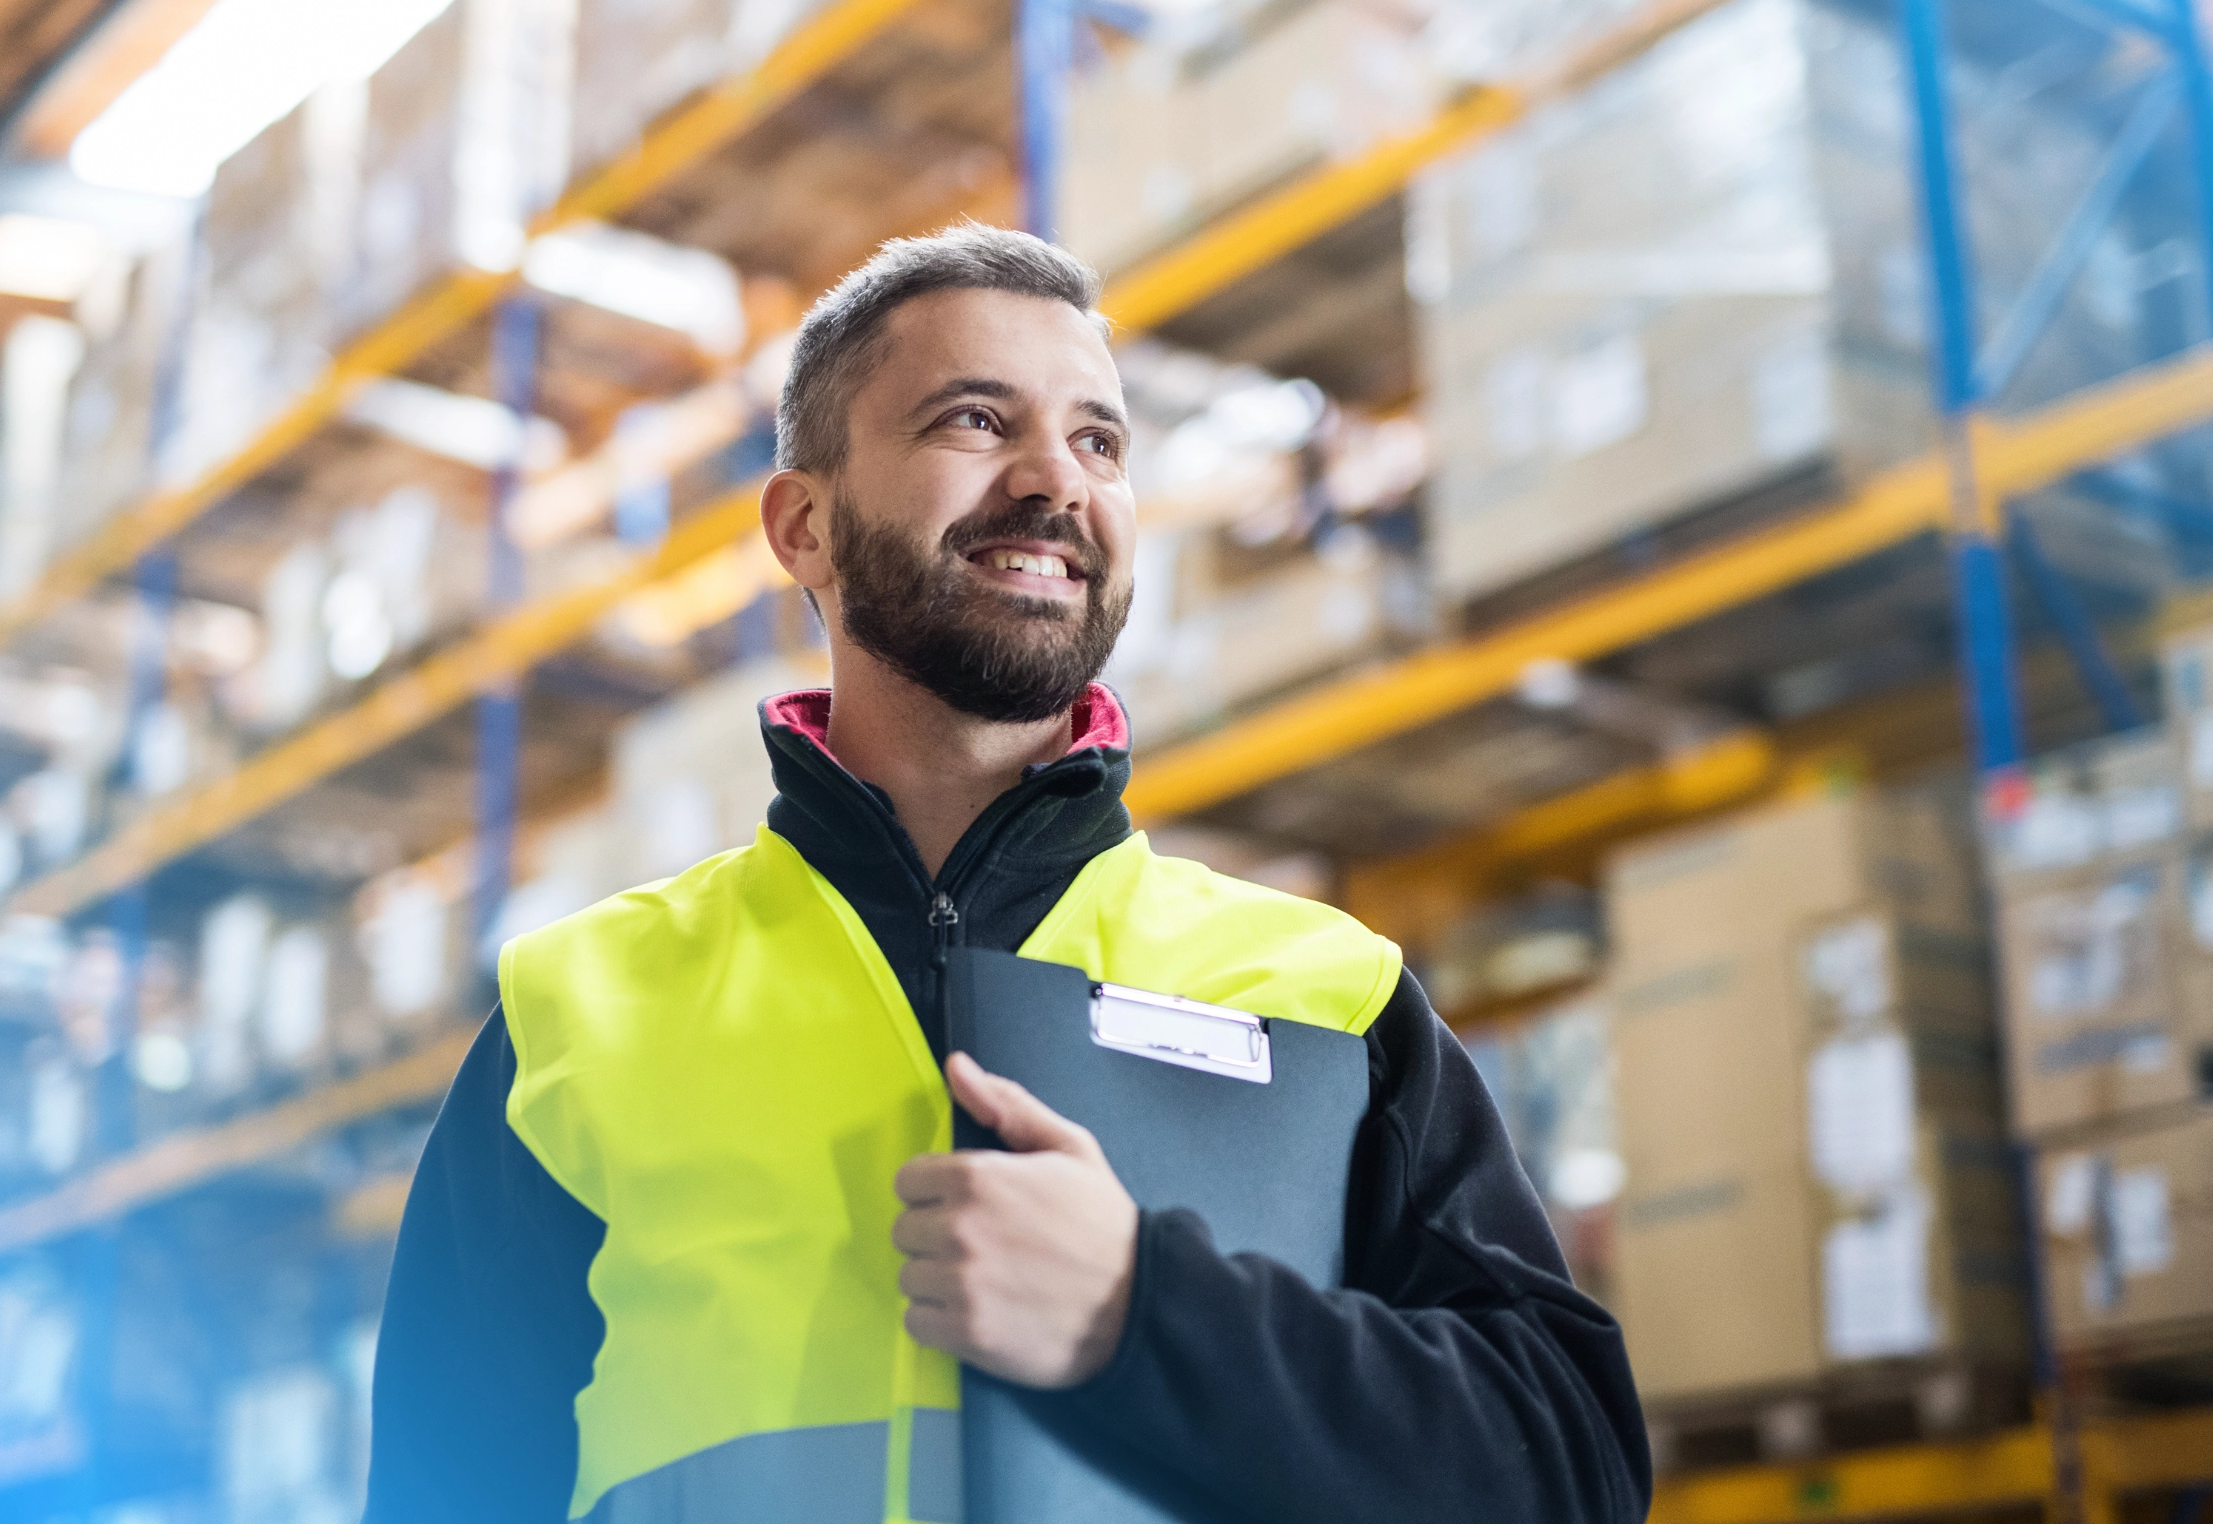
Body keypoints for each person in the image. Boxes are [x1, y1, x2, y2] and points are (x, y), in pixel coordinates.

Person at [366, 225, 1649, 1523]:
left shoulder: (1323, 995)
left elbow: (1570, 1470)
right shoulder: (577, 1020)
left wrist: (1140, 1314)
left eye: (1098, 441)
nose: (1055, 480)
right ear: (804, 527)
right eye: (975, 421)